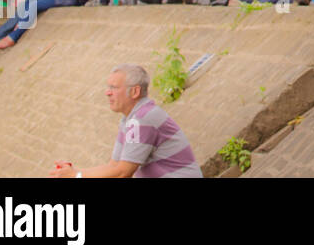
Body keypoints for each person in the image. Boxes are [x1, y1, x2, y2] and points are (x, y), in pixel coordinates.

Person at [49, 65, 202, 178]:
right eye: (108, 87)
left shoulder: (142, 118)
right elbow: (113, 166)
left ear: (134, 91)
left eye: (114, 88)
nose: (107, 92)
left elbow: (123, 172)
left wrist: (76, 176)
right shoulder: (129, 119)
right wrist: (75, 173)